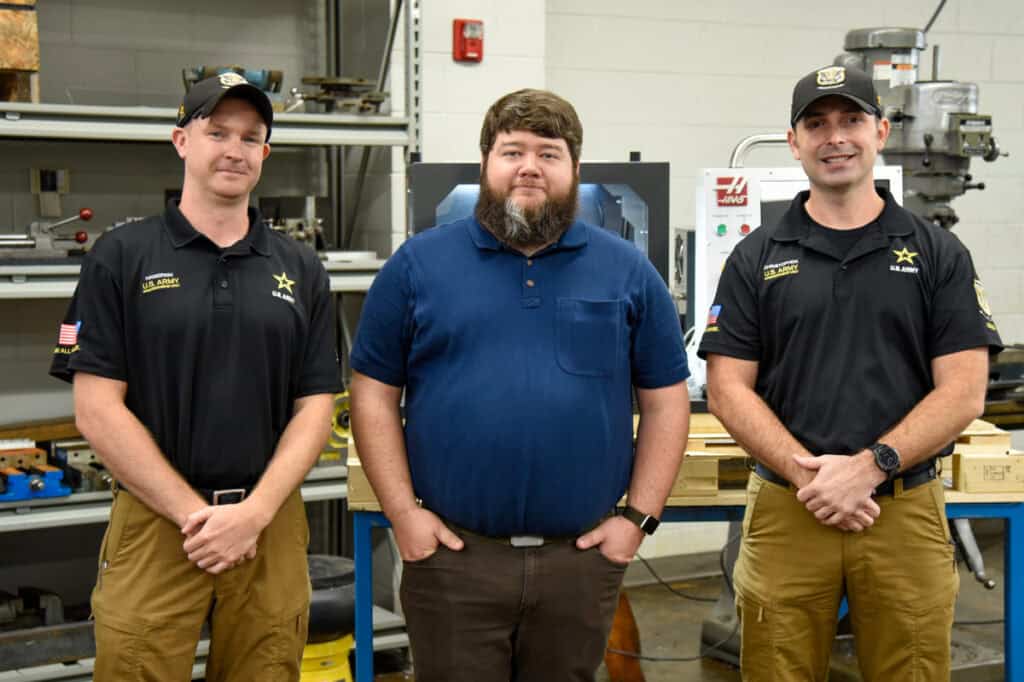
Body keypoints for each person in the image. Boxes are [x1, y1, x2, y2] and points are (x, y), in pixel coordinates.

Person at [350, 88, 690, 681]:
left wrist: (637, 521)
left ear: (575, 169)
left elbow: (666, 402)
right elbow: (373, 393)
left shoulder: (628, 270)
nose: (529, 167)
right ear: (485, 163)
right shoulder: (416, 266)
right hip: (454, 561)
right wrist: (403, 513)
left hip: (579, 563)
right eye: (512, 151)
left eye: (548, 153)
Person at [698, 65, 1003, 681]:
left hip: (902, 506)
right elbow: (728, 388)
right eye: (816, 124)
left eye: (851, 120)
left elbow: (965, 390)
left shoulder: (937, 253)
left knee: (911, 670)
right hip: (789, 507)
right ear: (794, 142)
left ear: (882, 131)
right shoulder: (756, 255)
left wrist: (868, 468)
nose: (834, 137)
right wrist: (808, 476)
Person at [49, 73, 341, 681]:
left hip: (269, 524)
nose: (234, 149)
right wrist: (197, 518)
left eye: (250, 137)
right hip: (159, 523)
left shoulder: (300, 267)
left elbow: (315, 408)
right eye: (217, 132)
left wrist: (253, 515)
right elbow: (96, 409)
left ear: (265, 154)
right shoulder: (122, 255)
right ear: (182, 141)